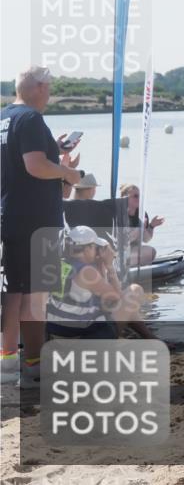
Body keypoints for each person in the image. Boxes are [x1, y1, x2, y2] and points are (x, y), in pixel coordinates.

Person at [1, 66, 83, 387]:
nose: (49, 95)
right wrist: (68, 174)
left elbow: (23, 160)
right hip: (36, 219)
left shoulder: (6, 117)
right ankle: (34, 364)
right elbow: (34, 165)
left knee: (14, 291)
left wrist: (57, 150)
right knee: (36, 295)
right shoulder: (32, 119)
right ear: (37, 87)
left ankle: (8, 363)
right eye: (48, 88)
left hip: (12, 214)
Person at [120, 184, 163, 266]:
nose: (139, 199)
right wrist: (139, 228)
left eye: (140, 196)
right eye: (135, 196)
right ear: (124, 198)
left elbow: (145, 239)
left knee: (151, 252)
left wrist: (151, 226)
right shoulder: (118, 214)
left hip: (132, 252)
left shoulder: (142, 214)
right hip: (117, 252)